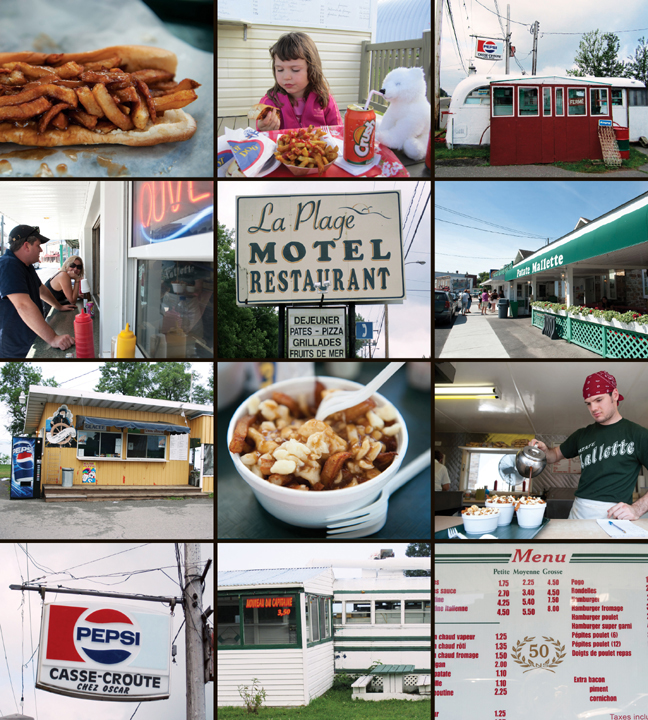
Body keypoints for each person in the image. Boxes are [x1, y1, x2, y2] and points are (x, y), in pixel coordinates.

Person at [529, 371, 648, 520]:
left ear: (615, 395)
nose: (593, 408)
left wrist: (637, 509)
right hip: (579, 511)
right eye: (588, 403)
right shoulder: (582, 435)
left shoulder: (638, 434)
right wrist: (545, 450)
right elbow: (554, 456)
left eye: (599, 400)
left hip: (614, 514)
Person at [0, 225, 75, 358]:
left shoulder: (25, 266)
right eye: (38, 245)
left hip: (31, 336)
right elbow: (22, 305)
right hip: (15, 346)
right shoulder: (9, 264)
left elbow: (41, 289)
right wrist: (53, 338)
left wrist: (58, 306)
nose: (41, 250)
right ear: (26, 246)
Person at [255, 32, 342, 132]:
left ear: (312, 69)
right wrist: (263, 129)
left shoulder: (325, 101)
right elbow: (260, 139)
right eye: (280, 70)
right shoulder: (269, 103)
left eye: (295, 69)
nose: (286, 77)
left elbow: (339, 134)